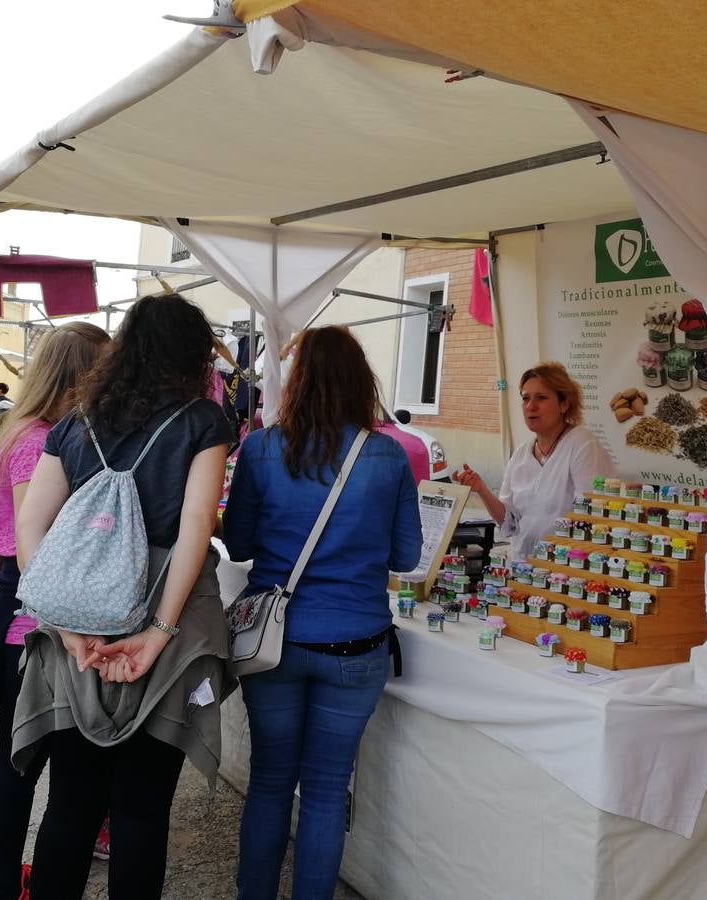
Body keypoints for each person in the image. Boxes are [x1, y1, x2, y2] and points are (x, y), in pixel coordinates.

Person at [13, 294, 234, 900]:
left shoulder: (73, 423)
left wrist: (63, 626)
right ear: (193, 354)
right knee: (142, 809)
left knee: (71, 802)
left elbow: (31, 529)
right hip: (169, 614)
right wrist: (158, 631)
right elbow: (196, 528)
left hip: (78, 624)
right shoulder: (203, 422)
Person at [223, 326, 422, 900]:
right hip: (356, 640)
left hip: (274, 642)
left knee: (269, 783)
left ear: (297, 380)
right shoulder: (387, 454)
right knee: (328, 790)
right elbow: (407, 556)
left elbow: (237, 544)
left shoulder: (262, 447)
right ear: (362, 381)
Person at [0, 323, 110, 900]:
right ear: (81, 374)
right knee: (23, 766)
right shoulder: (39, 440)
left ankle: (5, 880)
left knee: (21, 763)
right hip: (37, 624)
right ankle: (4, 883)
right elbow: (35, 544)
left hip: (29, 615)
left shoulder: (32, 431)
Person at [452, 361, 613, 561]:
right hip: (524, 568)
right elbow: (508, 521)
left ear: (564, 404)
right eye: (525, 398)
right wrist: (481, 488)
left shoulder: (581, 444)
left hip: (567, 570)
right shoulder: (521, 454)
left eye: (541, 398)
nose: (530, 406)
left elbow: (592, 514)